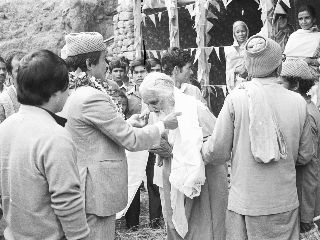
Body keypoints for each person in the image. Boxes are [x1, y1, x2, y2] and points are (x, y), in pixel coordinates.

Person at [61, 32, 180, 239]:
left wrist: (127, 123)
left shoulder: (73, 92)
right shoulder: (91, 96)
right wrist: (162, 125)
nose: (107, 65)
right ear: (89, 63)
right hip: (96, 189)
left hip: (86, 186)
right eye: (104, 59)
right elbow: (131, 140)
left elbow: (95, 133)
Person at [202, 35, 314, 240]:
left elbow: (217, 152)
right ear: (279, 66)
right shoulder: (298, 102)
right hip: (284, 203)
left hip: (246, 203)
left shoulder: (236, 98)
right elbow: (305, 156)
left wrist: (201, 147)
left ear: (248, 65)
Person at [0, 49, 90, 239]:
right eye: (68, 87)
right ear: (56, 92)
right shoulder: (55, 136)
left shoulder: (6, 127)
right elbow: (67, 200)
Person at [140, 72, 228, 240]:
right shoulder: (155, 113)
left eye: (153, 102)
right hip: (171, 175)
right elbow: (155, 139)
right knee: (175, 223)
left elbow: (217, 146)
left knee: (203, 227)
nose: (151, 108)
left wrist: (175, 152)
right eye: (147, 104)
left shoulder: (196, 110)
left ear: (169, 95)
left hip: (204, 179)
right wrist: (158, 145)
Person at [123, 58, 163, 230]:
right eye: (136, 72)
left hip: (153, 142)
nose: (139, 75)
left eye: (142, 72)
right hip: (134, 145)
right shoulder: (126, 96)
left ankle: (155, 222)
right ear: (131, 76)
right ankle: (132, 224)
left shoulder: (156, 94)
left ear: (148, 73)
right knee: (133, 182)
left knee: (154, 181)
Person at [280, 73, 320, 236]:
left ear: (295, 85)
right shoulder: (307, 107)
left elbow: (309, 164)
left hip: (307, 197)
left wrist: (306, 215)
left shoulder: (306, 113)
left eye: (281, 83)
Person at [282, 5, 320, 81]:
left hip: (310, 73)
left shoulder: (318, 36)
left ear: (314, 19)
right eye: (300, 19)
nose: (303, 22)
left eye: (307, 18)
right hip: (289, 70)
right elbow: (286, 56)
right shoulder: (294, 35)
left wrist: (312, 61)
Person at [0, 51, 26, 124]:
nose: (24, 73)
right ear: (10, 74)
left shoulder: (40, 95)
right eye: (18, 70)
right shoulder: (3, 100)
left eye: (27, 68)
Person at [224, 21, 249, 91]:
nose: (241, 34)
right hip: (236, 85)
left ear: (247, 32)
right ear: (234, 34)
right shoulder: (230, 51)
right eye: (237, 32)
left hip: (250, 83)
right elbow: (228, 71)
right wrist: (236, 70)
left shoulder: (252, 48)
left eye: (243, 31)